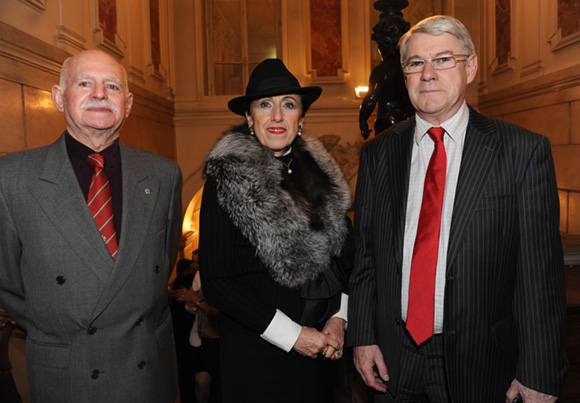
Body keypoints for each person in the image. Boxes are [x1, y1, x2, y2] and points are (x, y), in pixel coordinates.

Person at [348, 15, 567, 403]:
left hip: (483, 362)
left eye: (444, 59)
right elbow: (365, 257)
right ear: (404, 74)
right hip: (393, 357)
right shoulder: (378, 153)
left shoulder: (521, 151)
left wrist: (539, 372)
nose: (428, 74)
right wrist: (363, 337)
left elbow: (539, 274)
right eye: (416, 63)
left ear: (471, 67)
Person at [0, 49, 182, 403]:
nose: (100, 93)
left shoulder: (163, 174)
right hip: (69, 371)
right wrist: (60, 321)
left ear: (127, 104)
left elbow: (163, 262)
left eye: (112, 86)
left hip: (147, 369)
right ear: (58, 97)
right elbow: (7, 281)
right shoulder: (12, 176)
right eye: (85, 83)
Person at [199, 58, 354, 402]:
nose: (277, 116)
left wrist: (338, 319)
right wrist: (294, 335)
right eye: (265, 105)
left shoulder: (321, 177)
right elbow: (216, 283)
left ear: (301, 117)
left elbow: (345, 261)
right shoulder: (225, 179)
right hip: (257, 361)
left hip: (320, 357)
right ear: (250, 118)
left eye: (288, 104)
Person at [172, 251, 222, 403]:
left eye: (197, 262)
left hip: (215, 339)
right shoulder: (197, 277)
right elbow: (190, 307)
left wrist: (195, 300)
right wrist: (190, 301)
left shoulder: (217, 277)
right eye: (193, 262)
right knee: (195, 381)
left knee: (209, 382)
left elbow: (216, 313)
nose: (194, 265)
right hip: (195, 337)